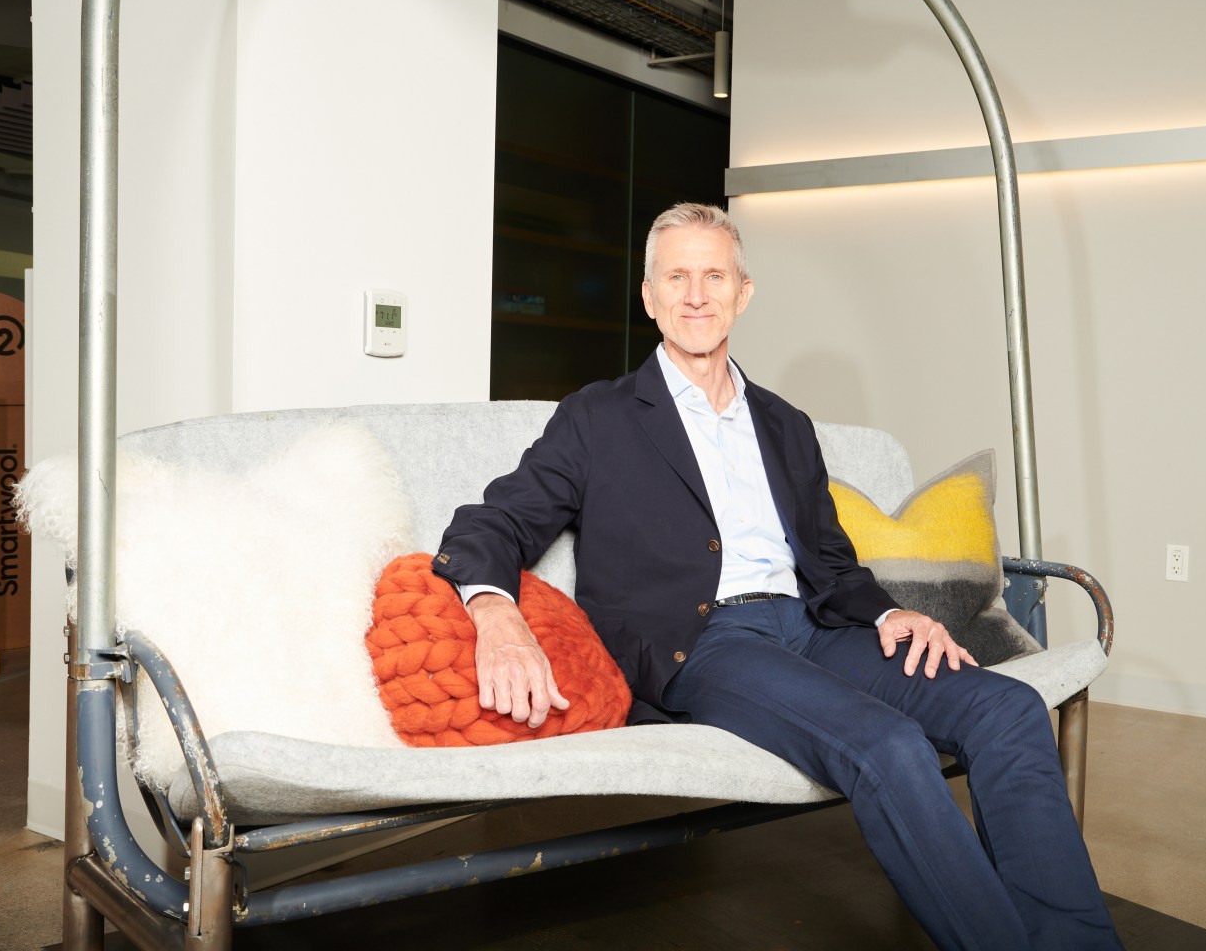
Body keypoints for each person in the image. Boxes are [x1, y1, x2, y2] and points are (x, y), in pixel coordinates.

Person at [433, 202, 1123, 951]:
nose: (696, 294)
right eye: (677, 277)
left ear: (743, 292)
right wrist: (496, 614)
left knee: (1008, 709)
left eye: (714, 276)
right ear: (649, 296)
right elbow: (495, 522)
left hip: (815, 627)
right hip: (705, 644)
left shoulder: (786, 424)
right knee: (888, 745)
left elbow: (830, 562)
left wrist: (889, 615)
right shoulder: (598, 418)